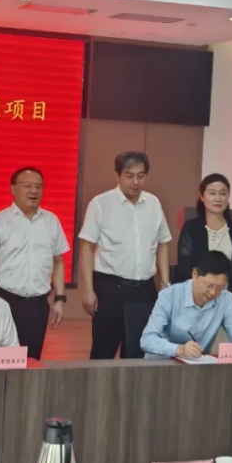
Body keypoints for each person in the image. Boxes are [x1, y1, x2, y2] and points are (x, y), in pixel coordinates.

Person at [78, 151, 172, 360]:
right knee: (103, 351)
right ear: (117, 176)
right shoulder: (100, 204)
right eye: (129, 176)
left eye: (141, 175)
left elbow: (162, 244)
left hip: (145, 290)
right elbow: (86, 247)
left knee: (138, 352)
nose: (136, 182)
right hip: (110, 289)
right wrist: (88, 289)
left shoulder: (154, 203)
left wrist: (165, 282)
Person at [0, 167, 69, 360]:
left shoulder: (52, 221)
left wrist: (59, 299)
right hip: (4, 301)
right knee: (0, 360)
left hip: (38, 305)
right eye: (27, 186)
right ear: (13, 189)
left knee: (31, 360)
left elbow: (58, 262)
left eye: (38, 186)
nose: (34, 191)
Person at [140, 251, 232, 359]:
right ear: (194, 274)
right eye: (209, 285)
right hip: (162, 364)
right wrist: (179, 349)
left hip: (197, 365)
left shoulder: (226, 299)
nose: (213, 292)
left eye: (220, 287)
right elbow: (147, 340)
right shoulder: (169, 295)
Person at [174, 174, 232, 308]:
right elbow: (185, 266)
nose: (218, 198)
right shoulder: (191, 228)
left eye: (223, 193)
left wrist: (229, 296)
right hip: (196, 301)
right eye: (212, 193)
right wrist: (201, 295)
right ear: (202, 196)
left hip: (227, 301)